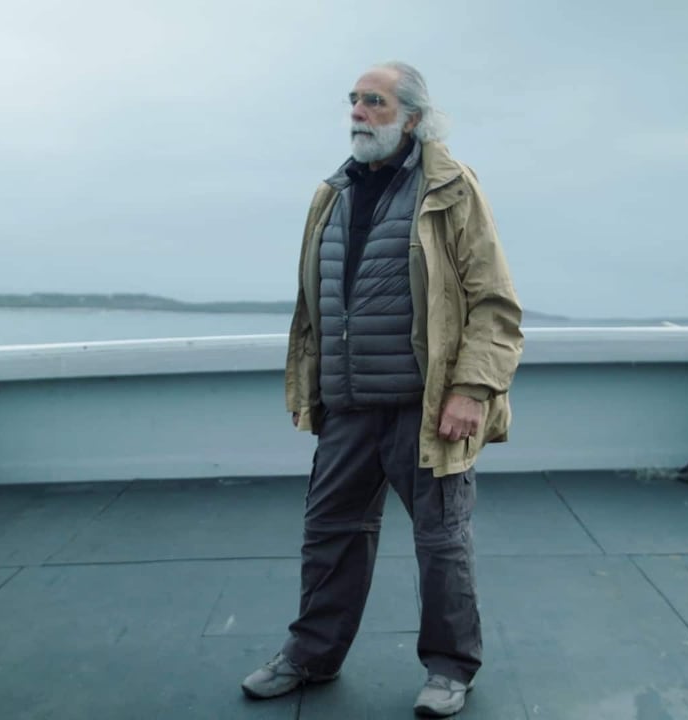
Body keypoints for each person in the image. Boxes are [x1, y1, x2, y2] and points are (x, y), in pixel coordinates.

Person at [241, 61, 524, 718]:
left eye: (375, 101)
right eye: (355, 100)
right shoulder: (333, 193)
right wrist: (310, 386)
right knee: (329, 531)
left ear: (413, 118)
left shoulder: (451, 188)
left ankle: (450, 669)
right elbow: (316, 304)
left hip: (425, 408)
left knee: (441, 541)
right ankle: (312, 653)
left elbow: (495, 305)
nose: (359, 112)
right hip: (348, 405)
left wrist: (471, 390)